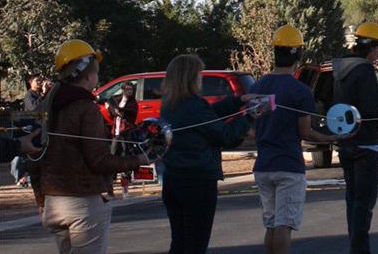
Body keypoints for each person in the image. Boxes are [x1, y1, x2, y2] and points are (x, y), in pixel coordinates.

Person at [28, 39, 148, 254]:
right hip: (81, 202)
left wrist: (41, 199)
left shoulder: (48, 105)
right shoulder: (85, 107)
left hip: (53, 201)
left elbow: (35, 156)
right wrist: (138, 160)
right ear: (89, 75)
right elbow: (99, 159)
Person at [250, 25, 344, 254]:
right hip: (288, 167)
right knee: (284, 224)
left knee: (271, 224)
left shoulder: (258, 86)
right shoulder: (300, 91)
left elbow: (252, 128)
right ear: (298, 53)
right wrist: (334, 138)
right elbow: (306, 133)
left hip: (263, 166)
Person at [160, 53, 254, 254]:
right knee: (196, 244)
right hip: (198, 181)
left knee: (179, 241)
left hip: (173, 178)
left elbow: (208, 116)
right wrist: (249, 117)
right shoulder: (195, 106)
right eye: (199, 74)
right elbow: (225, 135)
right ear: (191, 77)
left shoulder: (169, 104)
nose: (201, 79)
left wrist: (238, 101)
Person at [333, 22, 378, 254]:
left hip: (345, 142)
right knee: (364, 202)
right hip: (365, 144)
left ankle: (355, 244)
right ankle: (359, 249)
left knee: (352, 198)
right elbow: (371, 112)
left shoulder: (340, 70)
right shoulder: (364, 71)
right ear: (371, 47)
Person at [106, 82, 139, 197]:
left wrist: (119, 110)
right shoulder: (116, 99)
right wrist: (111, 109)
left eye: (131, 89)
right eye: (128, 89)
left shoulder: (133, 103)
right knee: (112, 156)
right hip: (116, 132)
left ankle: (126, 187)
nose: (130, 91)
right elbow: (111, 115)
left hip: (126, 133)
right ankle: (111, 187)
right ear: (123, 90)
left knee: (126, 156)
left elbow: (132, 113)